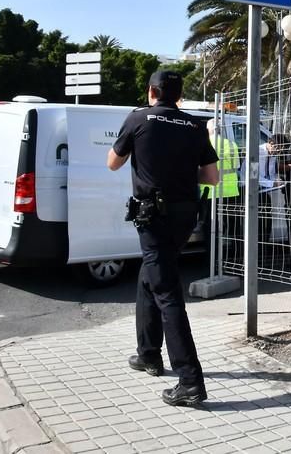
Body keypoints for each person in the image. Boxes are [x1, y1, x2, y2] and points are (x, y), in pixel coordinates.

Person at [106, 70, 218, 407]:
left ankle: (190, 381)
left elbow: (113, 162)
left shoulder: (139, 118)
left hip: (153, 216)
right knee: (149, 278)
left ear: (151, 92)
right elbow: (211, 177)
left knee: (167, 293)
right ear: (179, 95)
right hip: (185, 216)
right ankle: (149, 354)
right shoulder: (194, 125)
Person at [200, 118, 241, 263]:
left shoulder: (204, 144)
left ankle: (213, 263)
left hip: (210, 192)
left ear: (208, 130)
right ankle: (238, 261)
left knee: (211, 230)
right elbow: (236, 166)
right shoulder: (232, 144)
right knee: (235, 228)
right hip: (231, 192)